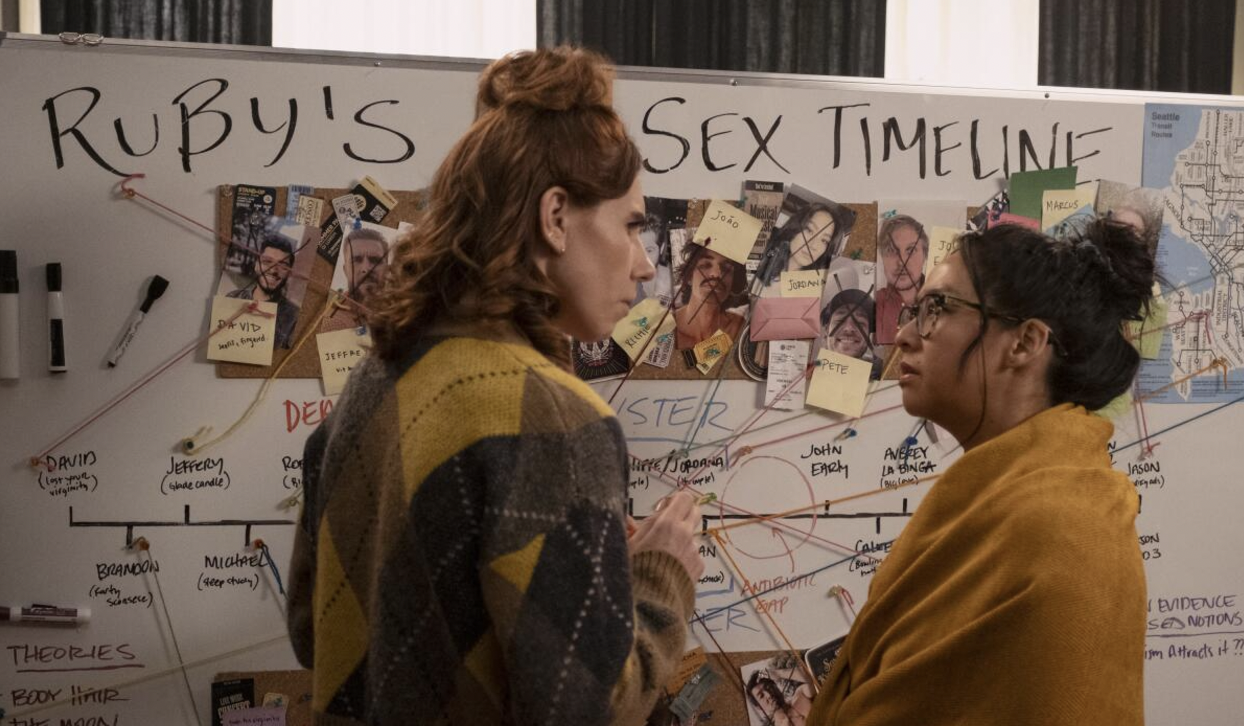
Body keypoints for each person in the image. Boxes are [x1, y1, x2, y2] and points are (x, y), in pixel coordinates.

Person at [286, 48, 705, 726]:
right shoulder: (552, 417)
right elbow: (585, 713)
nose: (642, 265)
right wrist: (661, 577)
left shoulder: (377, 379)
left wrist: (583, 580)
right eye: (631, 225)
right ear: (555, 216)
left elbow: (313, 633)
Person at [809, 219, 1154, 725]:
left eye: (937, 309)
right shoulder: (994, 503)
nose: (903, 336)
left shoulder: (1062, 528)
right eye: (914, 311)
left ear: (1025, 342)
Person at [225, 232, 300, 348]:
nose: (273, 270)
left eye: (283, 266)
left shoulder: (293, 316)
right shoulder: (232, 298)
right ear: (256, 265)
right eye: (267, 261)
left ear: (289, 273)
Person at [757, 201, 854, 289]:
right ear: (794, 228)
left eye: (824, 240)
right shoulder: (759, 258)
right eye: (809, 230)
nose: (813, 245)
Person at [673, 244, 748, 349]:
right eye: (706, 265)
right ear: (689, 276)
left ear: (733, 283)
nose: (716, 274)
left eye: (726, 268)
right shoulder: (663, 328)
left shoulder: (741, 329)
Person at [322, 227, 392, 332]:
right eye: (356, 260)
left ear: (387, 269)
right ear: (346, 270)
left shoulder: (405, 310)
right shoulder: (333, 322)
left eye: (375, 260)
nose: (366, 269)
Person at [874, 214, 927, 345]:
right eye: (891, 250)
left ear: (925, 256)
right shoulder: (871, 305)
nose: (902, 261)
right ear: (882, 257)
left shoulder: (947, 305)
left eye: (911, 250)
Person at [747, 669, 813, 726]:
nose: (769, 695)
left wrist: (778, 673)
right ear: (758, 707)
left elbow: (813, 677)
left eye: (769, 687)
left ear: (775, 686)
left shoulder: (800, 695)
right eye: (761, 696)